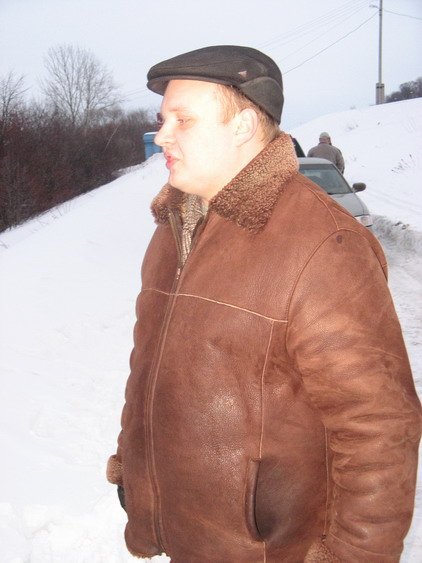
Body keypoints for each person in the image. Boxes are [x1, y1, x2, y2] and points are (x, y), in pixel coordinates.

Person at [107, 45, 421, 562]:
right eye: (163, 120)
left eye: (183, 120)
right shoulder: (174, 227)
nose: (161, 135)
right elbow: (149, 364)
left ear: (244, 126)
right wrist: (132, 469)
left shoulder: (324, 244)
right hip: (184, 525)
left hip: (267, 547)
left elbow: (379, 429)